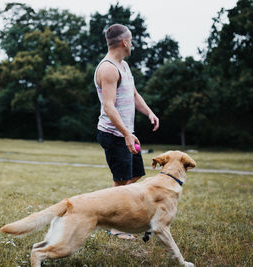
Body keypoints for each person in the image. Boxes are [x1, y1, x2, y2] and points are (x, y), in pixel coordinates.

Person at [95, 24, 159, 239]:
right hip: (114, 134)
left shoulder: (124, 66)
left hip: (126, 133)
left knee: (135, 175)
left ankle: (119, 216)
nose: (132, 44)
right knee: (121, 181)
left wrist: (149, 112)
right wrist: (126, 133)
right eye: (131, 40)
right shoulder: (108, 68)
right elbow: (109, 106)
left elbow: (133, 94)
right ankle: (116, 226)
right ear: (124, 42)